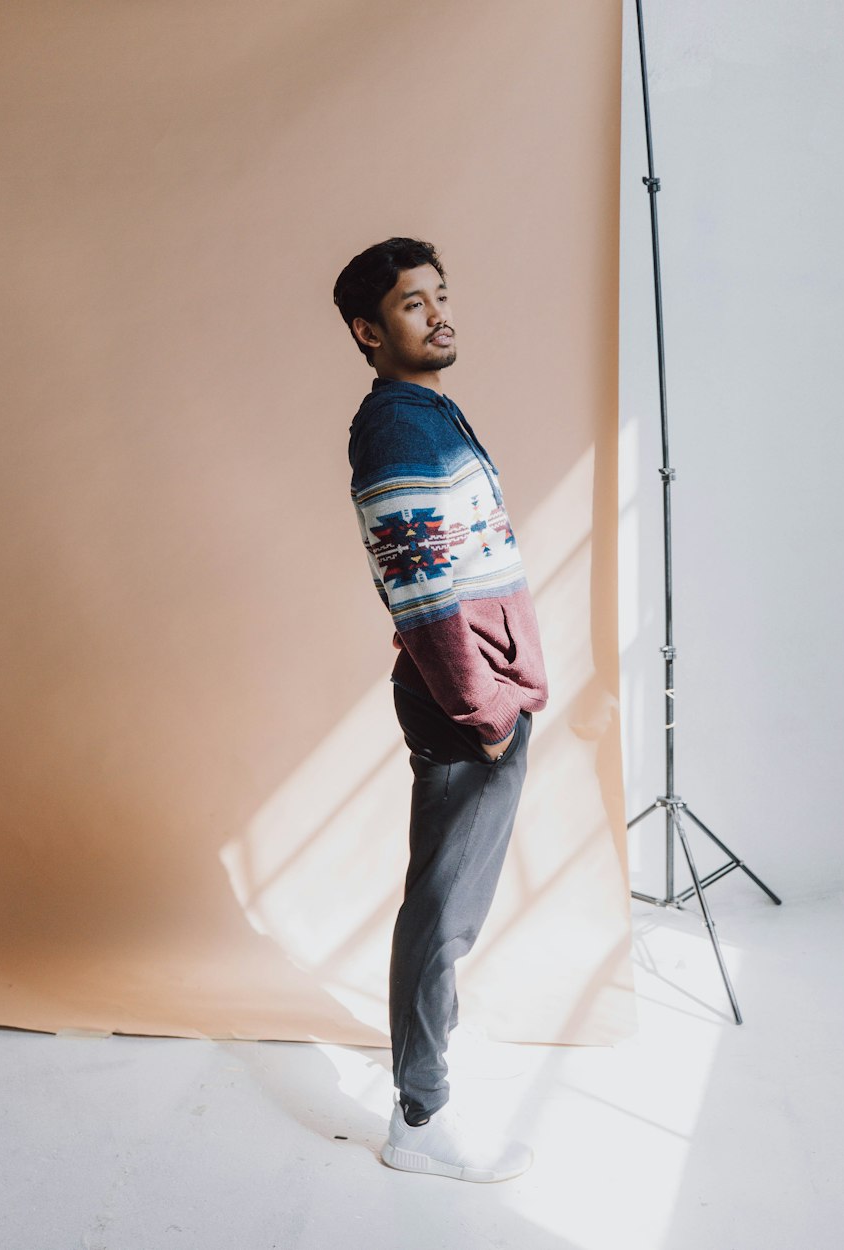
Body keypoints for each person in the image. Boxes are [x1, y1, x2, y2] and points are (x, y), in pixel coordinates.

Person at [333, 238, 549, 1182]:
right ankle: (421, 1120)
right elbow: (420, 588)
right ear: (368, 332)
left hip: (484, 690)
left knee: (447, 902)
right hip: (466, 701)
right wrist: (483, 708)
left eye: (441, 296)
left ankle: (434, 1067)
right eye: (414, 305)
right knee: (442, 912)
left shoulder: (425, 409)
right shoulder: (394, 426)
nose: (439, 313)